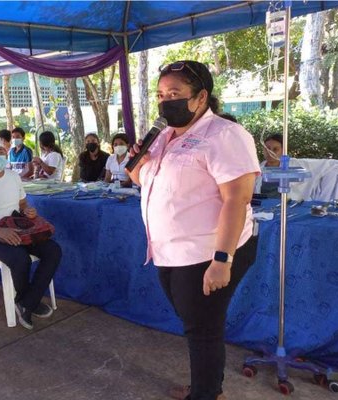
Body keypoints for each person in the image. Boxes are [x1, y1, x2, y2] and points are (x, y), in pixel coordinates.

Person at [127, 60, 260, 400]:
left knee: (203, 329)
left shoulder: (224, 135)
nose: (164, 101)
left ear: (201, 97)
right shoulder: (162, 136)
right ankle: (207, 387)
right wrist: (138, 162)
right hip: (170, 251)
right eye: (159, 94)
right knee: (195, 323)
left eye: (174, 93)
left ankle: (206, 394)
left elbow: (237, 201)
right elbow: (144, 181)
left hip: (209, 251)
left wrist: (222, 260)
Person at [0, 137, 61, 330]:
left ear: (6, 155)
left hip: (19, 228)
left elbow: (22, 204)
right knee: (20, 258)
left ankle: (27, 302)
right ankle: (27, 302)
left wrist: (28, 211)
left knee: (53, 250)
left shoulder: (14, 177)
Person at [253, 134, 283, 198]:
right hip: (262, 207)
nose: (270, 152)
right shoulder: (257, 169)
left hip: (286, 206)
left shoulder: (292, 165)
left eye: (275, 149)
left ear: (283, 151)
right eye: (267, 149)